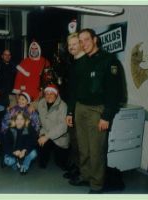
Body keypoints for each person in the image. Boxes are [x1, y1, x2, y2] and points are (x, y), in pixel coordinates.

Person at [67, 28, 123, 194]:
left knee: (96, 149)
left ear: (95, 39)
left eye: (86, 40)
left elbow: (115, 92)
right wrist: (70, 112)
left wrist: (106, 116)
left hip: (97, 110)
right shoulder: (82, 62)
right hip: (80, 108)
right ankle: (85, 176)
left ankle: (97, 185)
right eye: (81, 40)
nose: (83, 44)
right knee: (84, 148)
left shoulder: (109, 60)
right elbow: (74, 90)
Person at [63, 33, 88, 180]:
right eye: (70, 45)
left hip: (81, 109)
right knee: (74, 141)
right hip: (72, 107)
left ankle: (82, 173)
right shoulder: (74, 62)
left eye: (74, 44)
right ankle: (76, 168)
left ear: (81, 44)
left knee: (81, 143)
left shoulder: (86, 62)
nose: (71, 47)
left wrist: (71, 112)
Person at [37, 84, 69, 170]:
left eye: (52, 93)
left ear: (56, 94)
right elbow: (34, 104)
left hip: (59, 138)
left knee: (61, 164)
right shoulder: (41, 103)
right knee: (41, 164)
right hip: (45, 133)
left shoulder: (63, 105)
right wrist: (31, 106)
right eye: (47, 93)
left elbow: (63, 127)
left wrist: (47, 136)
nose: (49, 96)